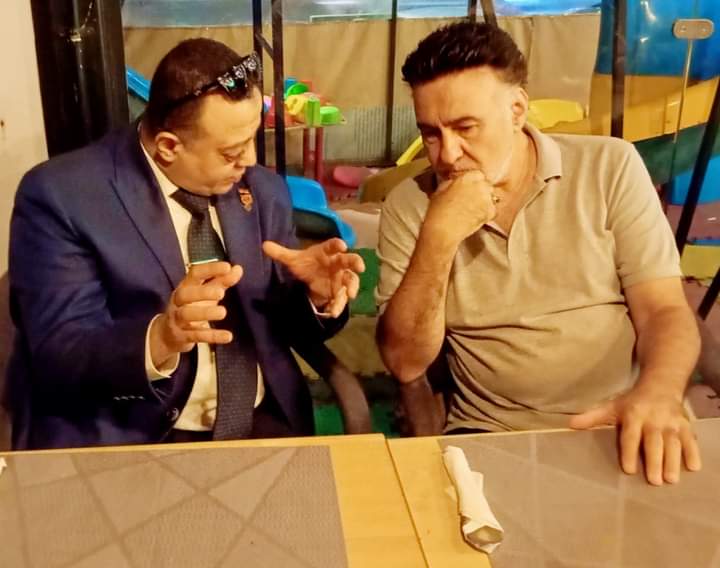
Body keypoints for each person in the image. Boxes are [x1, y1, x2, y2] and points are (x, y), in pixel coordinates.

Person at [376, 22, 702, 486]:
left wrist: (659, 391)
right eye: (431, 133)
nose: (447, 154)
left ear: (516, 109)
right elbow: (405, 363)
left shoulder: (609, 166)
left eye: (466, 128)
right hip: (493, 436)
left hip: (625, 419)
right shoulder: (409, 206)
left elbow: (664, 310)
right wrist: (439, 236)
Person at [7, 38, 364, 450]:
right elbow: (59, 353)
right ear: (168, 147)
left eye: (253, 139)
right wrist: (160, 338)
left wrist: (314, 297)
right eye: (231, 152)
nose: (251, 161)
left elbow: (279, 324)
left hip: (263, 419)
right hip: (134, 432)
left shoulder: (262, 192)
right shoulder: (64, 197)